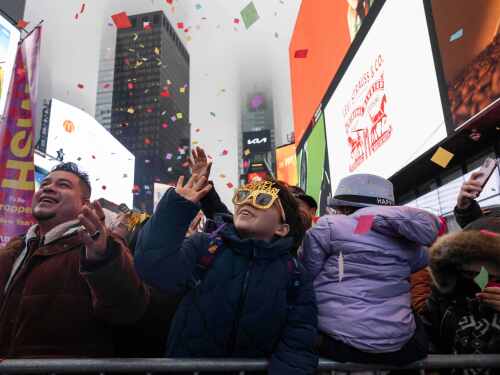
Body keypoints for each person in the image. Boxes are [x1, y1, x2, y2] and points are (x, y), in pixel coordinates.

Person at [134, 174, 318, 374]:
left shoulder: (296, 275)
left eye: (263, 199)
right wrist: (176, 209)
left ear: (282, 229)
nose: (248, 201)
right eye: (244, 195)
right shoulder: (205, 246)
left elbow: (298, 346)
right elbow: (153, 269)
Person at [0, 162, 149, 358]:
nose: (48, 188)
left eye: (63, 185)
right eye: (45, 183)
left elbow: (127, 310)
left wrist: (102, 262)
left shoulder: (100, 248)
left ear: (84, 204)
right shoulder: (14, 249)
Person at [302, 174, 439, 365]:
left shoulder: (329, 226)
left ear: (344, 206)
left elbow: (307, 272)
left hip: (336, 340)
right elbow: (419, 262)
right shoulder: (408, 240)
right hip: (397, 343)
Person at [422, 217, 500, 374]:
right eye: (470, 272)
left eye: (492, 275)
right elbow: (427, 339)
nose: (481, 279)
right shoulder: (445, 296)